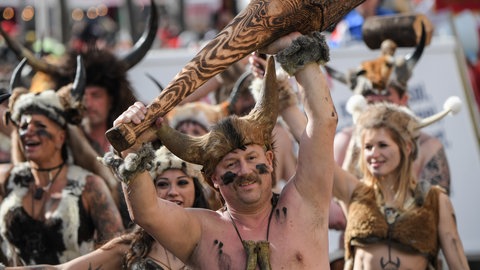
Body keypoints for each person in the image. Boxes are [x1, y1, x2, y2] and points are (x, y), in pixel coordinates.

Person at [107, 31, 336, 269]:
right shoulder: (200, 231)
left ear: (269, 160)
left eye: (251, 157)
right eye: (230, 164)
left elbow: (323, 122)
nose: (245, 170)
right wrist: (131, 149)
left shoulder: (305, 203)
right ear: (213, 178)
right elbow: (147, 213)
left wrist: (294, 47)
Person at [0, 58, 124, 266]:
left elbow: (119, 251)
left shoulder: (90, 185)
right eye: (23, 126)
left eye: (39, 125)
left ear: (60, 137)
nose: (28, 132)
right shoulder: (6, 179)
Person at [5, 146, 212, 270]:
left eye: (182, 183)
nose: (172, 192)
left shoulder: (219, 238)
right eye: (162, 184)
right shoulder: (132, 248)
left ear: (197, 189)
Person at [332, 97, 469, 269]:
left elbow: (458, 263)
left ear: (407, 147)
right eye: (368, 147)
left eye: (382, 145)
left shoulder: (435, 200)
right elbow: (315, 151)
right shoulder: (354, 192)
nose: (374, 154)